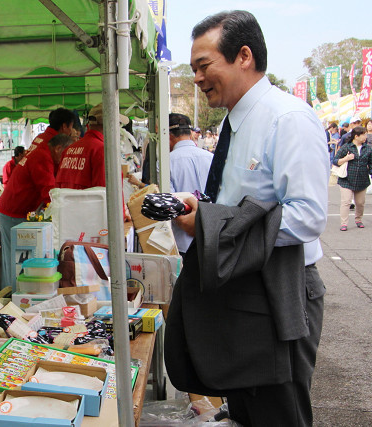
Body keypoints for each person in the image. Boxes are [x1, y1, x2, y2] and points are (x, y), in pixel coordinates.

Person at [166, 11, 328, 427]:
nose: (198, 79)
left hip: (279, 290)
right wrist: (199, 208)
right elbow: (234, 203)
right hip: (242, 290)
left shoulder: (287, 119)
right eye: (194, 69)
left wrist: (212, 223)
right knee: (246, 410)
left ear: (243, 56)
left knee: (277, 411)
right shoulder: (235, 124)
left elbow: (307, 217)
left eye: (204, 67)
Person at [0, 133, 73, 288]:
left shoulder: (42, 152)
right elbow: (49, 192)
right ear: (58, 149)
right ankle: (11, 297)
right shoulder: (42, 157)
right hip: (14, 212)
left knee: (13, 258)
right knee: (15, 260)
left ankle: (10, 294)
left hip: (16, 209)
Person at [167, 113, 213, 255]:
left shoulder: (166, 162)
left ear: (169, 136)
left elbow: (170, 205)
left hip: (183, 242)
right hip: (212, 237)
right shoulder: (211, 157)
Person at [55, 103, 128, 189]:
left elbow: (58, 189)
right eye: (118, 124)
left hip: (68, 202)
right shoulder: (103, 151)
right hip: (92, 202)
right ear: (111, 124)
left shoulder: (69, 150)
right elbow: (108, 193)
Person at [333, 126, 372, 231]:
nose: (365, 136)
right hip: (346, 179)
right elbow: (335, 161)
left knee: (360, 203)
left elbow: (371, 163)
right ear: (356, 136)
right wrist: (346, 158)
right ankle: (344, 223)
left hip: (362, 180)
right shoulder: (347, 147)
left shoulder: (368, 148)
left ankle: (358, 219)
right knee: (346, 202)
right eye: (363, 134)